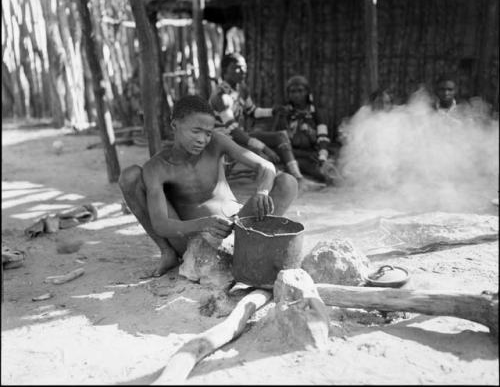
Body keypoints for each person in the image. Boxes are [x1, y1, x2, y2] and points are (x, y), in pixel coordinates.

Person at [119, 95, 298, 277]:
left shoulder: (216, 143)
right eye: (196, 131)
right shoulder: (157, 167)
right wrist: (203, 224)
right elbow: (161, 224)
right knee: (130, 175)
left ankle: (249, 248)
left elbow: (266, 166)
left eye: (208, 133)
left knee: (287, 183)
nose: (202, 139)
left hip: (238, 226)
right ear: (175, 126)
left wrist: (262, 190)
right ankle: (169, 253)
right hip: (195, 240)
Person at [209, 52, 324, 190]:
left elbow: (252, 111)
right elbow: (233, 131)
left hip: (237, 136)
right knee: (259, 151)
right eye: (237, 68)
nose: (243, 70)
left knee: (280, 136)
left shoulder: (242, 88)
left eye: (244, 67)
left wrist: (272, 111)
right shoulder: (221, 96)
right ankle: (275, 183)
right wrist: (264, 147)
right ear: (225, 70)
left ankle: (298, 178)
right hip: (224, 140)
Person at [274, 75, 341, 185]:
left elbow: (323, 138)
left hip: (314, 154)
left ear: (307, 92)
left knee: (331, 170)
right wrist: (304, 155)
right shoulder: (284, 114)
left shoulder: (317, 113)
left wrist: (322, 157)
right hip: (292, 155)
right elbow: (279, 143)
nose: (296, 95)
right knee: (303, 167)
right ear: (288, 94)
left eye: (300, 91)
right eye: (292, 91)